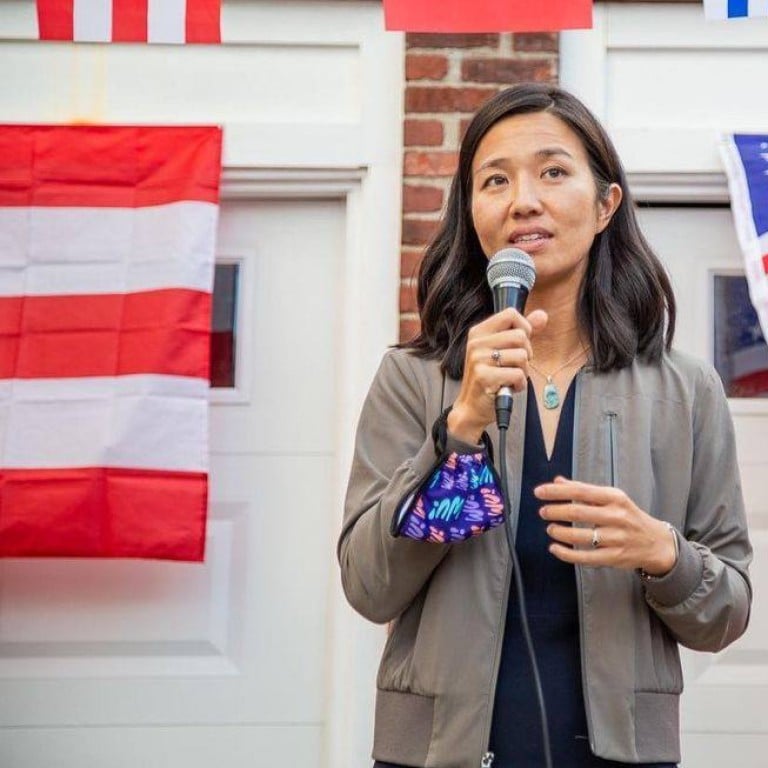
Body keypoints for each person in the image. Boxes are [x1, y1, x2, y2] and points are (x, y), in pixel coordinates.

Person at [337, 83, 752, 768]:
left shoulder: (685, 391)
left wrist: (661, 553)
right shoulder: (416, 379)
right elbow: (370, 585)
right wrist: (461, 429)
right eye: (494, 180)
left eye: (553, 172)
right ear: (473, 213)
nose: (523, 199)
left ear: (605, 205)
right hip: (445, 753)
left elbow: (727, 612)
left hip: (621, 755)